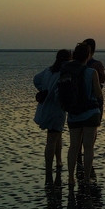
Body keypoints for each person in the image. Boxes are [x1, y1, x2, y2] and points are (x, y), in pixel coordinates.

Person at [65, 43, 103, 187]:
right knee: (88, 147)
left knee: (73, 147)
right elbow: (98, 93)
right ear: (88, 56)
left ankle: (70, 178)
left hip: (73, 114)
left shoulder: (66, 71)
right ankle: (86, 178)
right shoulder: (91, 72)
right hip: (90, 114)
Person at [34, 49, 71, 184]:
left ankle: (59, 162)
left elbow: (36, 79)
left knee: (57, 135)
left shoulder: (48, 70)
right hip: (56, 110)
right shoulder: (63, 73)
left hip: (46, 109)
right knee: (52, 138)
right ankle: (49, 170)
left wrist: (43, 89)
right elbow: (60, 92)